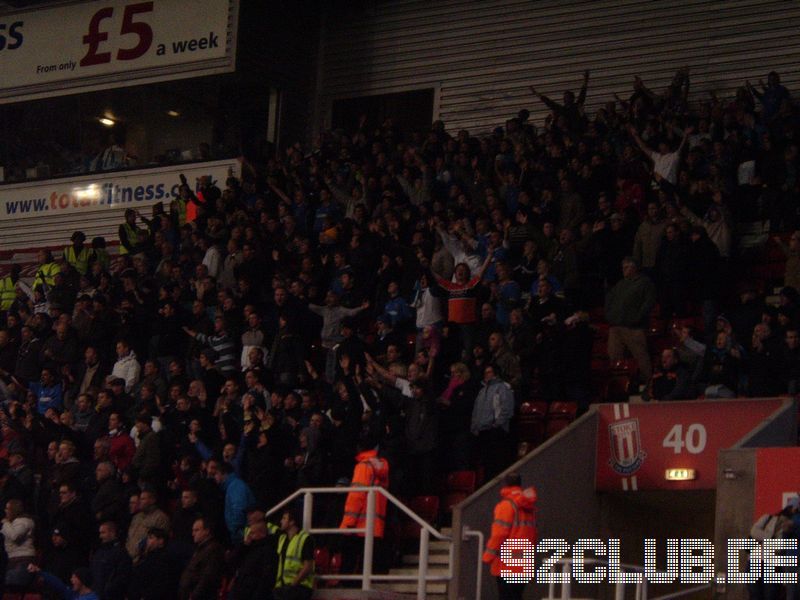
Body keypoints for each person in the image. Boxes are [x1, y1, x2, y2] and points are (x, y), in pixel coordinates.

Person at [483, 472, 537, 600]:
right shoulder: (529, 507)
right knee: (517, 595)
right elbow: (533, 534)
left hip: (507, 562)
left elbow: (499, 534)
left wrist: (488, 556)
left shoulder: (505, 506)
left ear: (505, 485)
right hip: (524, 559)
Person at [604, 257, 656, 381]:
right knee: (614, 356)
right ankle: (619, 384)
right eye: (623, 267)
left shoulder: (644, 283)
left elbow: (648, 303)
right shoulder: (620, 284)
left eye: (627, 267)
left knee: (641, 356)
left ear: (635, 267)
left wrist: (636, 318)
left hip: (634, 327)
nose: (624, 270)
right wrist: (610, 316)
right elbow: (609, 300)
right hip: (616, 326)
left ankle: (648, 383)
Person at [178, 517, 224, 600]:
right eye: (193, 530)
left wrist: (195, 595)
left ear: (207, 531)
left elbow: (207, 577)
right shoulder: (201, 549)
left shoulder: (213, 550)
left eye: (196, 530)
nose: (193, 534)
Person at [274, 508, 315, 600]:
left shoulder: (305, 539)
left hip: (300, 587)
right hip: (283, 586)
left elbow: (308, 566)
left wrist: (292, 585)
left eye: (284, 518)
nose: (281, 521)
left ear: (292, 522)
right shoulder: (282, 539)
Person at [90, 521, 131, 600]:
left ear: (112, 533)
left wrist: (109, 589)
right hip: (97, 594)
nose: (100, 536)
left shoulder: (121, 553)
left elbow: (122, 577)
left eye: (103, 533)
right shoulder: (99, 552)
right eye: (100, 533)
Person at [2, 499, 35, 587]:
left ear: (14, 510)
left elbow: (14, 536)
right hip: (13, 560)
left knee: (15, 587)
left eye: (7, 508)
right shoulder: (12, 523)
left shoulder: (23, 521)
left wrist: (6, 523)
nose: (5, 511)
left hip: (22, 560)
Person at [27, 563, 99, 600]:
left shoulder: (92, 598)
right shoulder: (74, 594)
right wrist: (39, 571)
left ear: (82, 580)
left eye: (74, 577)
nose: (71, 579)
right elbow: (58, 583)